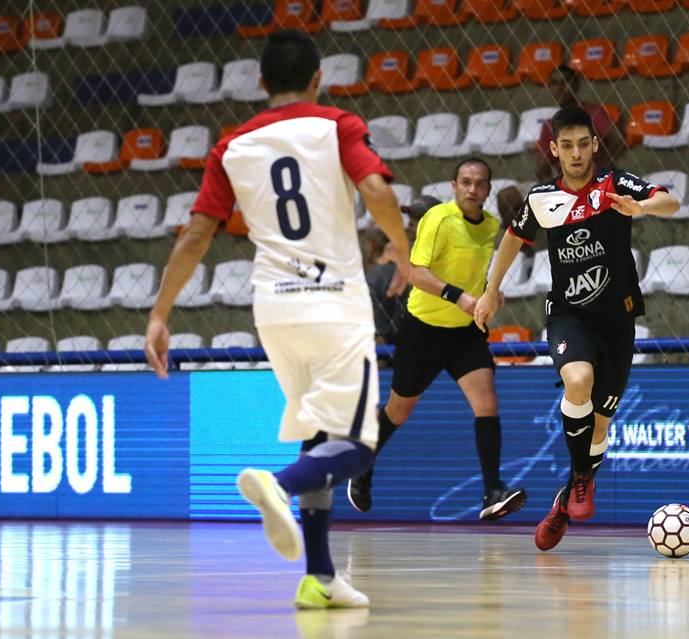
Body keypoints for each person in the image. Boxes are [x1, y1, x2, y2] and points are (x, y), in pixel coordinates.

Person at [143, 30, 411, 609]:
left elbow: (196, 235)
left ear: (262, 82)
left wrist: (161, 314)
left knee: (319, 435)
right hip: (334, 303)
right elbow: (376, 190)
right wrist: (405, 254)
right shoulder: (335, 124)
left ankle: (320, 577)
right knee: (359, 445)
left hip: (274, 307)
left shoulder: (230, 146)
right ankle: (277, 485)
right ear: (318, 78)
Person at [474, 107, 679, 551]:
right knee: (578, 380)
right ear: (555, 149)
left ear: (593, 145)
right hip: (569, 315)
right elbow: (513, 238)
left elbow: (671, 200)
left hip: (618, 319)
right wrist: (491, 291)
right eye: (565, 145)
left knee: (600, 428)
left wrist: (639, 207)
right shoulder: (542, 198)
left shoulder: (614, 184)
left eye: (582, 144)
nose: (575, 153)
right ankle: (582, 479)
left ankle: (564, 503)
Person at [347, 157, 528, 521]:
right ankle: (362, 463)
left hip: (465, 332)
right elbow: (415, 272)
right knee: (399, 411)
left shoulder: (491, 226)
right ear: (454, 186)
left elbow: (479, 275)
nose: (472, 189)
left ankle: (492, 491)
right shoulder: (438, 219)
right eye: (466, 182)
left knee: (487, 402)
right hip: (424, 329)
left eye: (479, 183)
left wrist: (490, 295)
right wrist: (459, 297)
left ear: (488, 190)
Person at [365, 195, 439, 345]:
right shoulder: (386, 273)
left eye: (419, 217)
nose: (411, 222)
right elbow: (379, 335)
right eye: (410, 216)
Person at [534, 65, 626, 182]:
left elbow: (617, 139)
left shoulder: (594, 113)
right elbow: (541, 167)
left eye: (565, 81)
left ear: (576, 85)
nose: (560, 88)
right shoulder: (549, 125)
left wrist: (601, 170)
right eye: (554, 83)